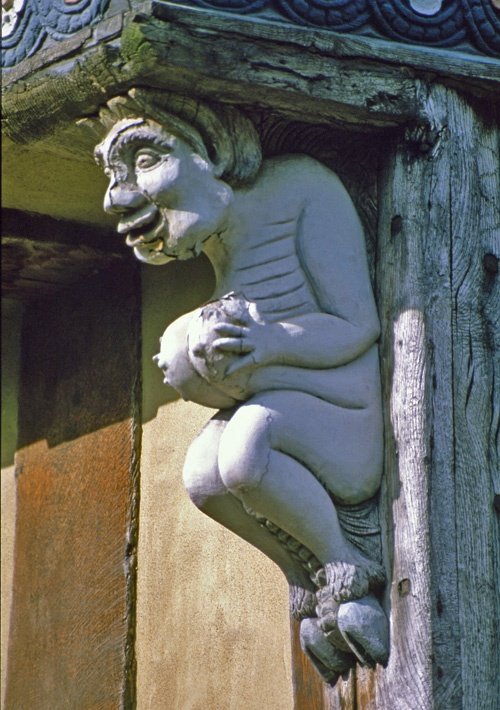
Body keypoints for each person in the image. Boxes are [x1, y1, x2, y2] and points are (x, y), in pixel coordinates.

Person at [93, 88, 388, 679]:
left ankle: (349, 566)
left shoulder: (301, 189)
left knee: (247, 447)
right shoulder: (219, 233)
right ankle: (309, 581)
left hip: (343, 410)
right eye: (115, 176)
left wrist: (269, 342)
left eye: (146, 160)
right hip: (287, 401)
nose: (117, 197)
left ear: (213, 148)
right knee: (203, 475)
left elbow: (358, 325)